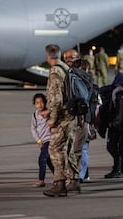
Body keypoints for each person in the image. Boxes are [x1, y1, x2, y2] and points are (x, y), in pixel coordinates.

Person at [42, 44, 76, 197]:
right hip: (71, 115)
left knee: (54, 149)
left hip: (62, 117)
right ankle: (74, 180)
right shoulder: (66, 68)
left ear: (47, 56)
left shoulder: (55, 71)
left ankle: (59, 183)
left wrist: (52, 119)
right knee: (67, 148)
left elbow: (56, 99)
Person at [62, 49, 90, 193]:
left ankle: (75, 178)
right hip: (74, 119)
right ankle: (76, 177)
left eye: (71, 57)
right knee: (75, 150)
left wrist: (82, 118)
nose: (68, 59)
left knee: (76, 150)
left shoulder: (76, 77)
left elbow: (82, 100)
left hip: (79, 120)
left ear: (78, 59)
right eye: (66, 57)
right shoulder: (70, 75)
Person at [100, 73, 123, 178]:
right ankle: (119, 166)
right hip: (116, 124)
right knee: (114, 146)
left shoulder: (119, 93)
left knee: (113, 146)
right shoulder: (116, 92)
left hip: (118, 124)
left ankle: (118, 168)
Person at [30, 93, 54, 187]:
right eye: (37, 103)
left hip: (49, 140)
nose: (39, 105)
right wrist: (38, 140)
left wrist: (50, 113)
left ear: (45, 103)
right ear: (34, 104)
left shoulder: (49, 113)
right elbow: (33, 129)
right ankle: (59, 177)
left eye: (41, 102)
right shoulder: (35, 115)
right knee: (48, 161)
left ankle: (41, 180)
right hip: (42, 141)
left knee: (42, 159)